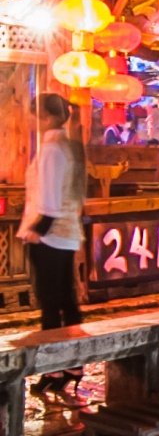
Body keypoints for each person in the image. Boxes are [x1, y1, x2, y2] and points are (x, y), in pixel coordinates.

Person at [20, 92, 86, 330]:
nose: (29, 121)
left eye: (32, 116)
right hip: (64, 233)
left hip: (50, 234)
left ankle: (56, 362)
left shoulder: (52, 149)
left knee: (51, 301)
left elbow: (50, 196)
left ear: (45, 117)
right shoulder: (69, 146)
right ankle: (72, 365)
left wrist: (38, 229)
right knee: (65, 300)